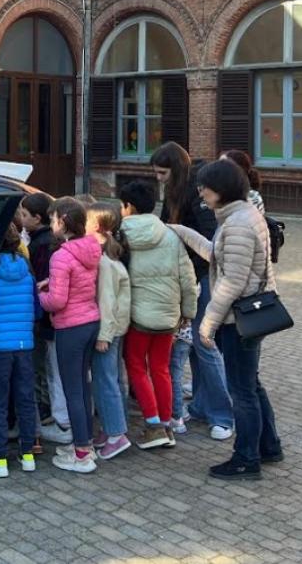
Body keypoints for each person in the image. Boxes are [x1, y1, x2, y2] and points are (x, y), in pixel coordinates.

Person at [167, 159, 283, 481]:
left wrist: (207, 325)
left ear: (221, 189)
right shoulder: (237, 217)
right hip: (243, 316)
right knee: (250, 385)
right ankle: (268, 446)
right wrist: (180, 231)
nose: (200, 191)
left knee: (242, 391)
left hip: (239, 319)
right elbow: (217, 253)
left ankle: (246, 459)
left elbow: (232, 280)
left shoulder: (239, 224)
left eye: (204, 186)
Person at [149, 142, 234, 442]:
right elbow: (162, 227)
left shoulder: (196, 193)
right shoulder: (174, 192)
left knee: (205, 343)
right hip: (189, 279)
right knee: (197, 348)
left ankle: (223, 415)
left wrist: (191, 274)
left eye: (162, 172)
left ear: (176, 168)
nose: (159, 178)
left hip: (204, 278)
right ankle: (200, 404)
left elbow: (211, 242)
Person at [118, 179, 199, 451]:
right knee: (161, 368)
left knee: (137, 367)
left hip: (138, 315)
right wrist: (188, 311)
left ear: (127, 206)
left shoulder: (120, 235)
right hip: (168, 315)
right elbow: (188, 278)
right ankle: (167, 424)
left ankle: (153, 426)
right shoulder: (169, 234)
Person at [38, 197, 102, 473]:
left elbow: (57, 301)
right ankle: (85, 443)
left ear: (62, 221)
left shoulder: (61, 255)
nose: (50, 223)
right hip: (90, 320)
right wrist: (52, 283)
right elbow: (77, 284)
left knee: (72, 389)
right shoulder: (90, 248)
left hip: (69, 327)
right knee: (83, 387)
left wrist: (40, 295)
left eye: (52, 219)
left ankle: (80, 454)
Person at [0, 224, 40, 478]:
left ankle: (0, 459)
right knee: (25, 400)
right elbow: (37, 310)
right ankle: (27, 456)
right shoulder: (27, 270)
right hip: (24, 346)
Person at [18, 193, 70, 445]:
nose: (20, 218)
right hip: (52, 318)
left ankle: (57, 417)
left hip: (49, 319)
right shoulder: (43, 241)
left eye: (24, 215)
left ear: (37, 218)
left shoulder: (43, 246)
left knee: (51, 369)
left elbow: (40, 282)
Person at [86, 203, 132, 460]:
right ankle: (110, 428)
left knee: (106, 382)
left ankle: (116, 433)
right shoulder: (109, 257)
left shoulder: (104, 263)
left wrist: (104, 335)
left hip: (109, 330)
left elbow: (107, 301)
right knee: (111, 380)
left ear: (96, 227)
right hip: (115, 328)